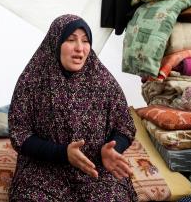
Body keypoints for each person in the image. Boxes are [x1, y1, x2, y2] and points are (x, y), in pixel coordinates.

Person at [8, 14, 137, 201]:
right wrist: (62, 153)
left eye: (86, 41)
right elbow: (19, 133)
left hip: (95, 166)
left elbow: (125, 125)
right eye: (70, 40)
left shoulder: (104, 82)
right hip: (44, 168)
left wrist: (112, 149)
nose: (79, 48)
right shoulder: (32, 81)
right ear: (55, 42)